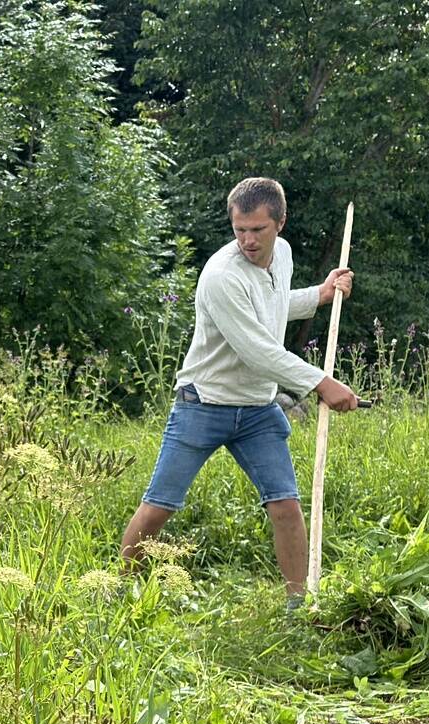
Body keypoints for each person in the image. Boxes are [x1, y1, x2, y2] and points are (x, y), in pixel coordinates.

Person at [120, 177, 359, 606]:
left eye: (258, 230)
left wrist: (318, 296)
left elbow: (271, 306)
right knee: (160, 506)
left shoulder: (281, 256)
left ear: (280, 223)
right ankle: (120, 591)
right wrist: (320, 382)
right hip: (203, 403)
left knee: (285, 505)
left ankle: (297, 605)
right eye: (239, 230)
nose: (248, 241)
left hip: (256, 410)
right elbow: (257, 350)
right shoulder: (221, 275)